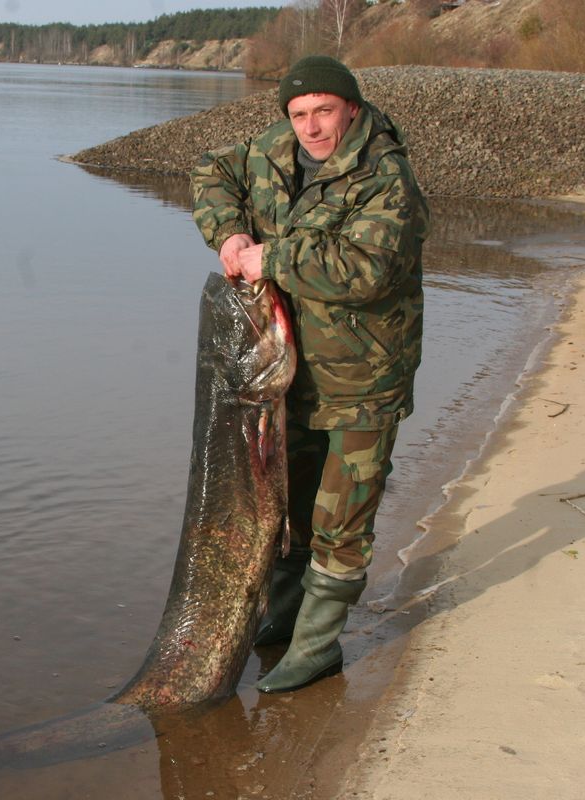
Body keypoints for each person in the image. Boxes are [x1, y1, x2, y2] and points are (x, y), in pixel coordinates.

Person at [190, 55, 428, 693]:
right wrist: (231, 235)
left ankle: (318, 647)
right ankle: (287, 614)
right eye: (299, 114)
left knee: (341, 521)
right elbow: (210, 171)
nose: (312, 128)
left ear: (351, 107)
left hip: (363, 380)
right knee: (291, 509)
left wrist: (275, 256)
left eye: (324, 111)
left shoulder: (387, 178)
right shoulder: (271, 150)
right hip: (288, 374)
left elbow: (365, 268)